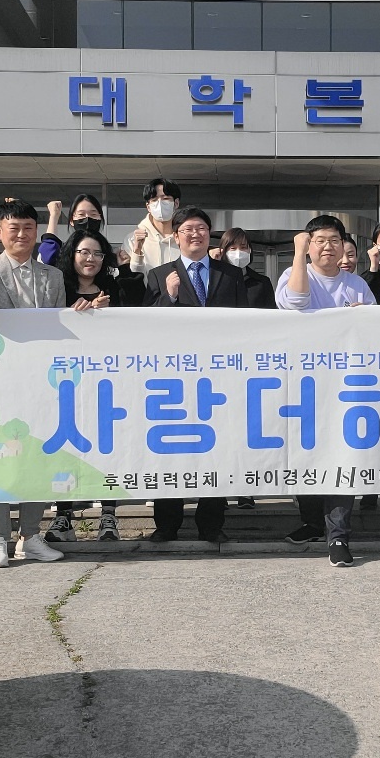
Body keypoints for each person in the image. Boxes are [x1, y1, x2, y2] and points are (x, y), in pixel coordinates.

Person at [0, 199, 69, 568]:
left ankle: (31, 535)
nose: (21, 234)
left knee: (36, 454)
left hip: (39, 379)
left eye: (28, 228)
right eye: (13, 228)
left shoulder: (52, 276)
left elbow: (57, 325)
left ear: (37, 232)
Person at [141, 206, 249, 546]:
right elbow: (146, 327)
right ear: (176, 236)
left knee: (217, 448)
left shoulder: (231, 274)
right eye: (187, 229)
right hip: (175, 378)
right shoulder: (159, 275)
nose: (195, 234)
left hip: (220, 378)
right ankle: (167, 524)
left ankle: (211, 524)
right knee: (170, 449)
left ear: (209, 234)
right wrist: (170, 297)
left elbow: (245, 324)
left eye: (201, 228)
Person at [275, 215, 378, 568]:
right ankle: (313, 522)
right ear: (308, 244)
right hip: (304, 387)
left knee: (342, 457)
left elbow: (373, 332)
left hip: (347, 389)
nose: (328, 247)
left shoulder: (357, 285)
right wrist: (298, 253)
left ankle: (338, 536)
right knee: (305, 456)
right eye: (319, 240)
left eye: (334, 240)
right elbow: (296, 302)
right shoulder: (292, 274)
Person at [55, 226, 124, 543]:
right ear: (72, 254)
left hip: (106, 382)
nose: (91, 258)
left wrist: (109, 315)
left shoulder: (113, 289)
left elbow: (132, 327)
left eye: (97, 253)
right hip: (65, 383)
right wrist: (70, 315)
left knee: (108, 447)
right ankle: (63, 517)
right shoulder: (58, 287)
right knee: (66, 449)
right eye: (84, 252)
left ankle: (109, 515)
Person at [125, 178, 181, 277]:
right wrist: (137, 251)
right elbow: (133, 277)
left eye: (165, 198)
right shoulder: (132, 240)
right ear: (148, 207)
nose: (160, 204)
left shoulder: (184, 237)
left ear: (176, 203)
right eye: (154, 200)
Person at [214, 226, 276, 309]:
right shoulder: (215, 281)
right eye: (233, 248)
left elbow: (270, 312)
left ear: (250, 250)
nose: (238, 253)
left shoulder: (262, 282)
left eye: (243, 247)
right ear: (223, 251)